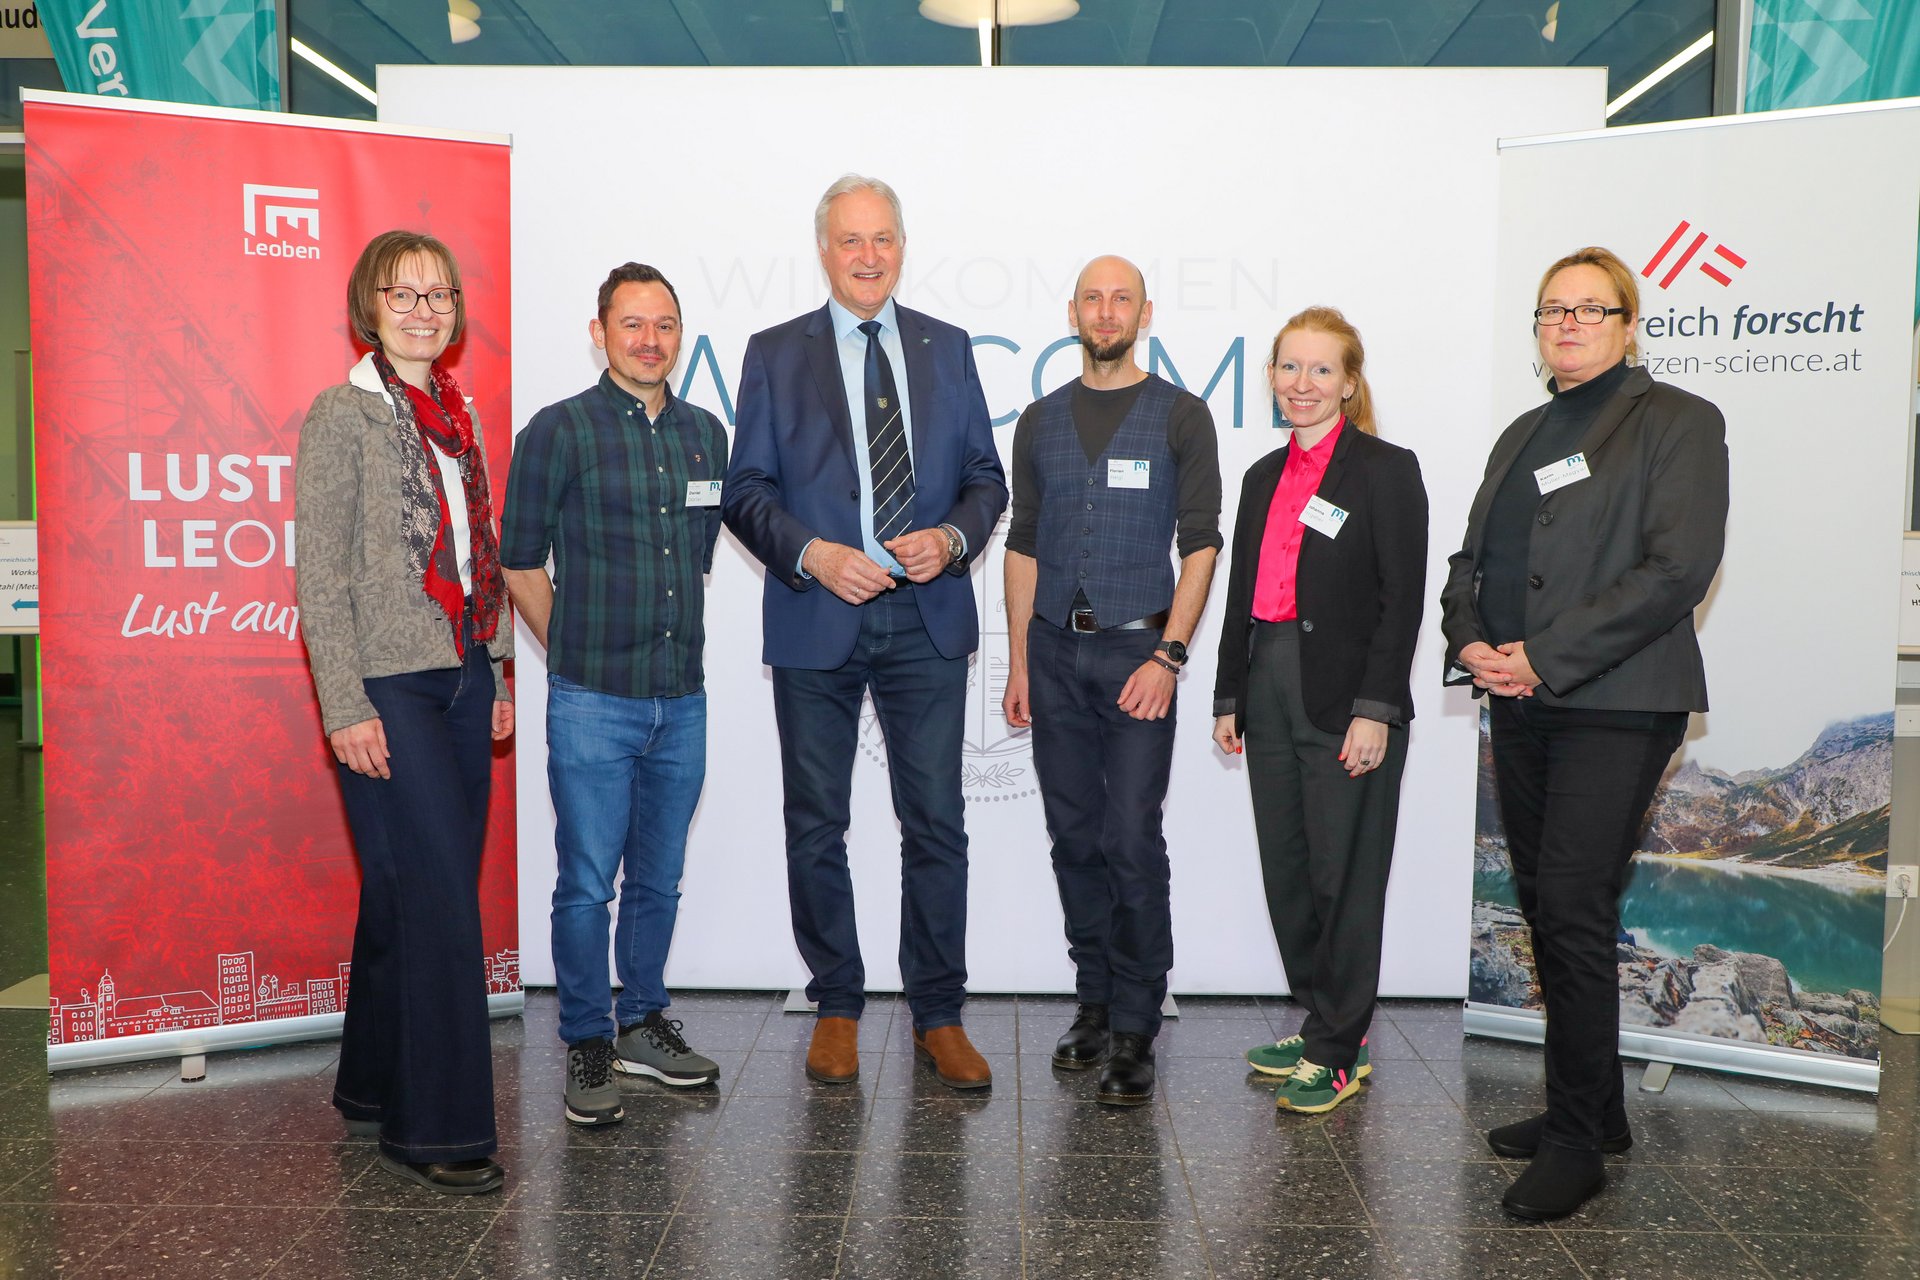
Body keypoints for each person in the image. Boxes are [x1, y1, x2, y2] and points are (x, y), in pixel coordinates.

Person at [1440, 246, 1728, 1220]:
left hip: (1615, 697)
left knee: (1569, 901)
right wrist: (1469, 639)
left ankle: (1574, 1146)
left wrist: (1543, 654)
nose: (1568, 323)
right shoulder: (1523, 430)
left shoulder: (1678, 420)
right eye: (1552, 309)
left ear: (1628, 322)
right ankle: (1598, 1111)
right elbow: (1472, 560)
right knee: (1548, 900)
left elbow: (1677, 569)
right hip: (1522, 697)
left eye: (1589, 308)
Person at [722, 174, 1007, 1090]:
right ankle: (837, 1004)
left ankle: (939, 1014)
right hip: (819, 616)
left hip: (926, 618)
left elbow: (986, 478)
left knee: (937, 824)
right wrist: (813, 554)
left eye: (883, 238)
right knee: (817, 823)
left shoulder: (947, 347)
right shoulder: (775, 353)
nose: (869, 255)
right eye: (851, 239)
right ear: (824, 250)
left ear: (902, 247)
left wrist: (952, 539)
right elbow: (745, 491)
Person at [295, 229, 514, 1195]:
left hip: (462, 672)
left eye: (439, 295)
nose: (424, 311)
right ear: (369, 307)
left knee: (400, 888)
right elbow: (320, 576)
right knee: (438, 901)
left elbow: (477, 555)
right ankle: (438, 1129)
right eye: (403, 294)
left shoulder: (458, 416)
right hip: (388, 685)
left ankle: (371, 1085)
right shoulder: (342, 413)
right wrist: (344, 705)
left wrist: (494, 672)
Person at [501, 263, 727, 1128]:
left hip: (682, 698)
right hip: (593, 699)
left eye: (664, 324)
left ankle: (642, 1023)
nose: (649, 340)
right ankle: (589, 1038)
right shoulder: (558, 430)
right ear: (599, 333)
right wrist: (573, 651)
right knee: (588, 883)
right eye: (632, 324)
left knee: (659, 880)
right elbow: (519, 561)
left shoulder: (706, 434)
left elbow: (699, 555)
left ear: (681, 335)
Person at [1001, 255, 1221, 1107]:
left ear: (1144, 313)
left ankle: (1135, 1023)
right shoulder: (1039, 420)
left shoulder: (1182, 416)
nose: (1105, 311)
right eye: (1092, 299)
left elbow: (1201, 546)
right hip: (1053, 654)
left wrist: (1170, 656)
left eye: (1120, 298)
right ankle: (1093, 1004)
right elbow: (1023, 544)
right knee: (1073, 837)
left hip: (1138, 655)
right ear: (1073, 313)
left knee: (1130, 838)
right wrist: (1021, 661)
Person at [1210, 307, 1428, 1116]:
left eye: (1321, 369)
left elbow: (1402, 599)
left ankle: (1339, 1051)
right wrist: (1229, 694)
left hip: (1347, 697)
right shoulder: (1261, 476)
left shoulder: (1385, 470)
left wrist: (1376, 709)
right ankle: (1326, 1023)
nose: (1302, 384)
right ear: (1270, 377)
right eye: (1289, 368)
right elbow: (1241, 593)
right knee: (1291, 874)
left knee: (1346, 878)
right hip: (1268, 685)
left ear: (1349, 382)